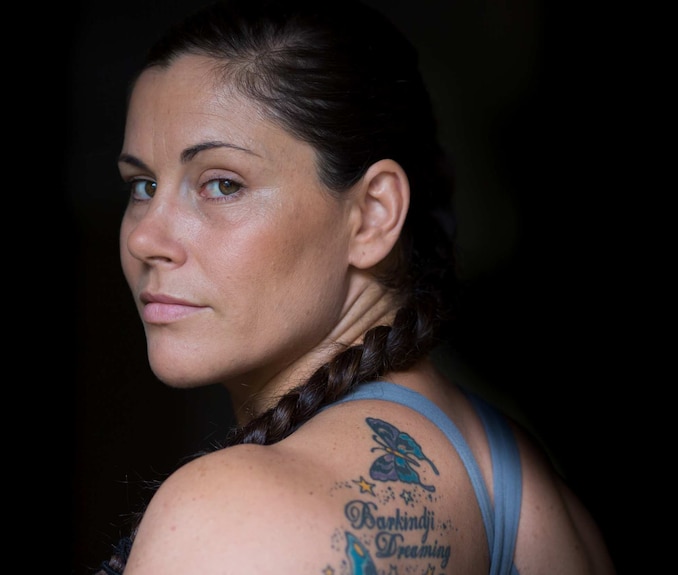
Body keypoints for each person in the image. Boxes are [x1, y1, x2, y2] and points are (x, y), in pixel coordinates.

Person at [97, 0, 615, 573]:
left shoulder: (229, 516)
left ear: (372, 215)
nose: (145, 237)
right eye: (142, 184)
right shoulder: (541, 500)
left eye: (221, 184)